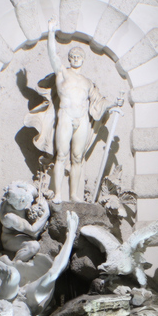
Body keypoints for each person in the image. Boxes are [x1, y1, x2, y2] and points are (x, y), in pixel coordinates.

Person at [46, 19, 111, 203]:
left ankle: (74, 195)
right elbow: (52, 55)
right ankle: (58, 193)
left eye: (78, 56)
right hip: (66, 115)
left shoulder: (87, 82)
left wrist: (113, 105)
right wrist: (51, 32)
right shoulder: (62, 73)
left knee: (77, 157)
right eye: (73, 56)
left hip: (81, 118)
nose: (75, 59)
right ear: (69, 59)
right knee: (61, 155)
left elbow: (99, 101)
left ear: (83, 60)